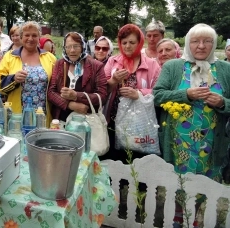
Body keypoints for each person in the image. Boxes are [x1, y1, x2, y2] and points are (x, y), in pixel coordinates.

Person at [153, 24, 230, 227]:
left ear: (214, 45)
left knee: (205, 184)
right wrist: (186, 94)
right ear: (188, 43)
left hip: (211, 143)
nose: (201, 46)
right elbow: (158, 95)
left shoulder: (225, 69)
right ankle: (177, 217)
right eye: (195, 41)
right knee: (178, 183)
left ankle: (195, 216)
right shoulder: (174, 67)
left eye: (207, 41)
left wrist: (222, 103)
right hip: (179, 142)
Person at [102, 24, 161, 162]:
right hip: (114, 121)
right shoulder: (113, 61)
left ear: (140, 42)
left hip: (140, 123)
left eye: (132, 42)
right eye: (124, 43)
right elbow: (102, 89)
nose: (127, 46)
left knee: (139, 162)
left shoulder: (152, 65)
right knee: (115, 161)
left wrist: (139, 94)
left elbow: (159, 92)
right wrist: (113, 80)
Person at [0, 21, 56, 125]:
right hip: (17, 114)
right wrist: (14, 79)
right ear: (21, 37)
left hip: (42, 114)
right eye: (27, 35)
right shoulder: (10, 56)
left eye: (34, 35)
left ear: (39, 37)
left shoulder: (50, 58)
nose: (30, 39)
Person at [48, 32, 107, 122]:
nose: (72, 50)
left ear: (83, 47)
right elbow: (51, 92)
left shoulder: (96, 66)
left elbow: (102, 97)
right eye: (68, 47)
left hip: (87, 122)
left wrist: (76, 96)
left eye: (76, 46)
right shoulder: (59, 64)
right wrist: (69, 104)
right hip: (61, 121)